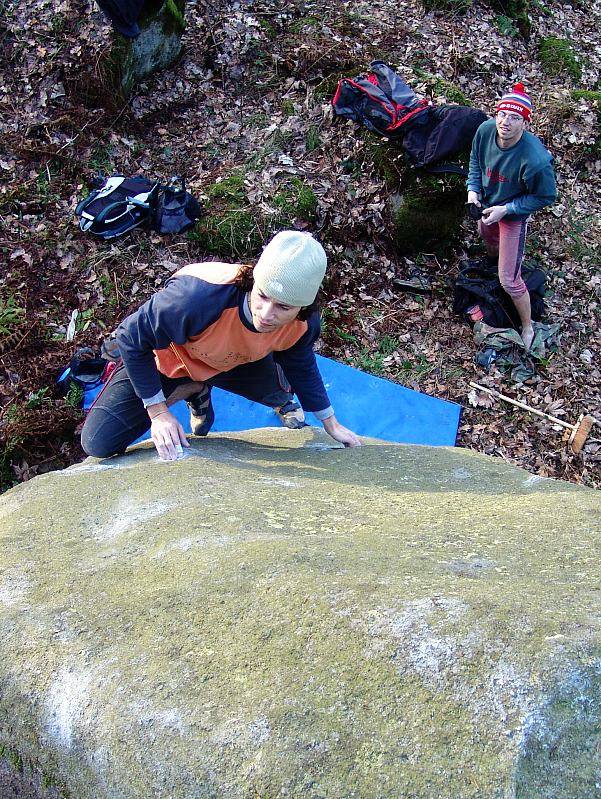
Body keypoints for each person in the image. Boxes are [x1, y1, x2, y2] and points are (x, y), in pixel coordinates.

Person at [81, 231, 362, 460]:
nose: (266, 314)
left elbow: (302, 365)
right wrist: (158, 413)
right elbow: (131, 337)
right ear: (254, 280)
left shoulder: (304, 323)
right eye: (262, 296)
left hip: (234, 360)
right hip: (174, 360)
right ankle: (193, 387)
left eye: (283, 307)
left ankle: (261, 393)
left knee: (285, 382)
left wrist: (330, 423)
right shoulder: (194, 298)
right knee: (99, 442)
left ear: (303, 306)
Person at [467, 83, 557, 349]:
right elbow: (475, 161)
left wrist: (507, 210)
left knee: (509, 279)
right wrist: (473, 191)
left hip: (512, 213)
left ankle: (527, 325)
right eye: (502, 114)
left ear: (525, 123)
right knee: (485, 234)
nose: (506, 122)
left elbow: (544, 197)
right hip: (488, 204)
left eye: (515, 117)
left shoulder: (536, 159)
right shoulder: (485, 131)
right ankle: (494, 261)